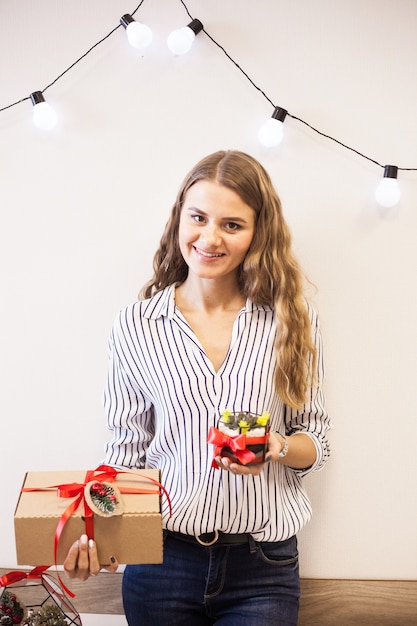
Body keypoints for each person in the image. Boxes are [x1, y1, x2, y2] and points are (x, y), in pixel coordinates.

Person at [64, 150, 332, 625]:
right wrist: (98, 538)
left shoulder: (292, 320)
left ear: (258, 233)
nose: (210, 238)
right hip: (161, 563)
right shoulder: (137, 325)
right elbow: (126, 455)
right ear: (179, 219)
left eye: (232, 225)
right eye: (199, 218)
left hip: (264, 566)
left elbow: (318, 442)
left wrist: (276, 446)